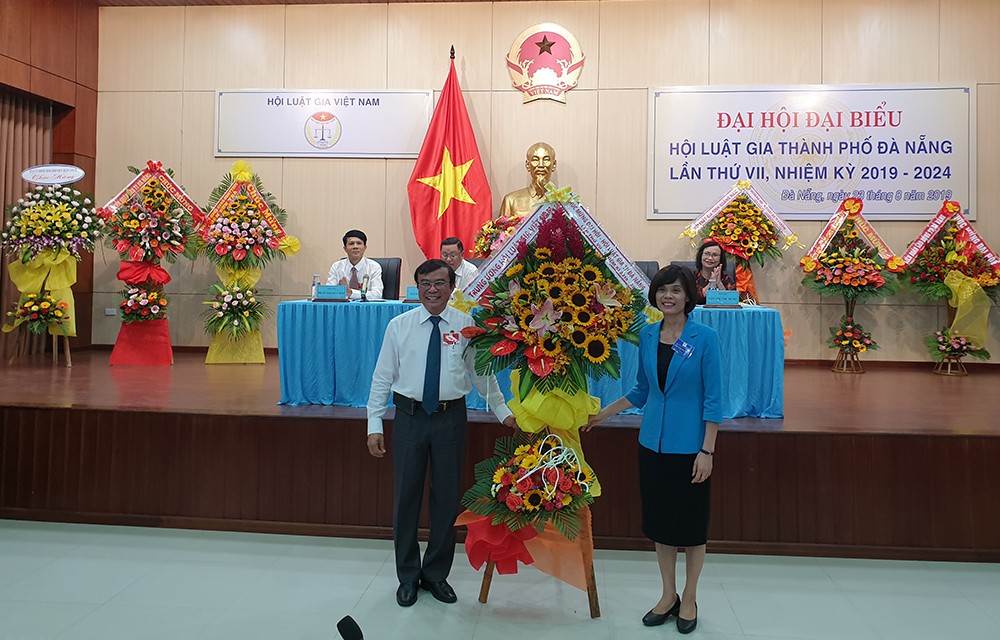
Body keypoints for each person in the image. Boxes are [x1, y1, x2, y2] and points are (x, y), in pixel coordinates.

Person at [367, 259, 517, 608]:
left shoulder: (467, 327)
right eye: (424, 284)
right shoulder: (398, 326)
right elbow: (381, 377)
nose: (431, 290)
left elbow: (483, 377)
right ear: (417, 287)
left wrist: (504, 413)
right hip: (409, 419)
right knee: (406, 498)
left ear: (452, 287)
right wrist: (374, 424)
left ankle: (436, 574)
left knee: (447, 499)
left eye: (439, 283)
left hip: (450, 420)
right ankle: (407, 576)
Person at [583, 265, 721, 634]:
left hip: (691, 447)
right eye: (663, 290)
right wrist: (604, 414)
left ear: (689, 295)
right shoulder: (647, 334)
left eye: (676, 290)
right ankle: (667, 595)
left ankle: (689, 597)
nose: (669, 296)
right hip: (653, 444)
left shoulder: (705, 337)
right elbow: (642, 390)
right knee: (661, 526)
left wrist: (707, 451)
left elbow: (713, 400)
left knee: (691, 529)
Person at [498, 142, 557, 218]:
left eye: (546, 160)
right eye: (535, 160)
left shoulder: (565, 202)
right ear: (527, 165)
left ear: (554, 165)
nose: (541, 165)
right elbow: (502, 228)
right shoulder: (511, 200)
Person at [326, 229, 383, 300]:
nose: (355, 246)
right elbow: (329, 292)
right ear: (345, 249)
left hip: (366, 308)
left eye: (359, 243)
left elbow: (377, 294)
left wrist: (351, 293)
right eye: (351, 243)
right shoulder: (336, 266)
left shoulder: (374, 267)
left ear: (365, 247)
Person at [693, 240, 736, 305]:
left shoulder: (726, 279)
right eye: (707, 254)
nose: (710, 258)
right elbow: (691, 299)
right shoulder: (691, 277)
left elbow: (731, 302)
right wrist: (711, 283)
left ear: (720, 259)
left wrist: (719, 283)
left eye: (715, 255)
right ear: (700, 256)